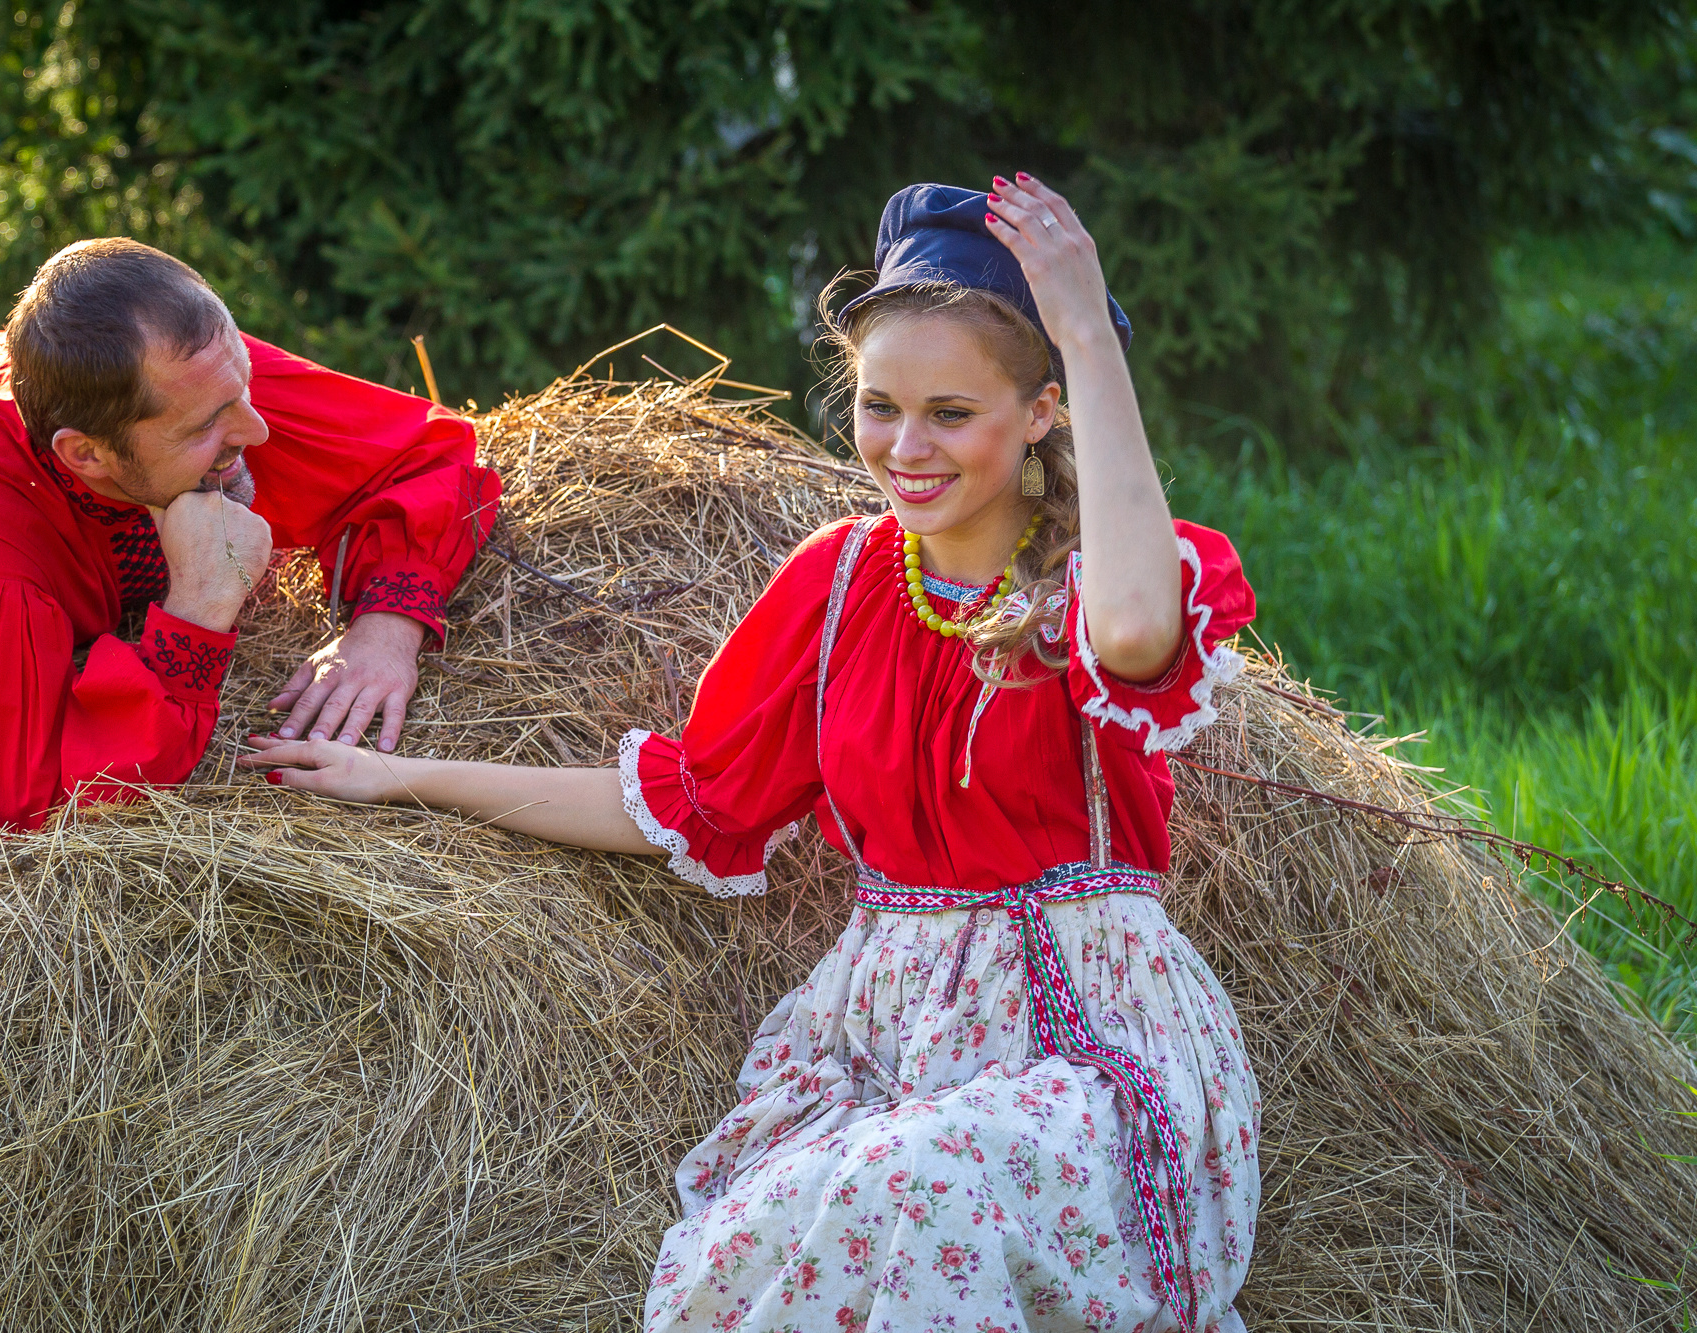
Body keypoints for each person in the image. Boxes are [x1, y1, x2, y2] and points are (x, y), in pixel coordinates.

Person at [241, 176, 1259, 1332]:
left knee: (918, 1188)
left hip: (1086, 1042)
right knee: (820, 1226)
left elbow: (1133, 637)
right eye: (880, 406)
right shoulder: (835, 585)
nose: (904, 448)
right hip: (886, 1042)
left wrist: (1085, 333)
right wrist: (408, 777)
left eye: (950, 413)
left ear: (1038, 410)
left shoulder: (1092, 574)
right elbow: (689, 802)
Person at [0, 238, 501, 831]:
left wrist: (386, 627)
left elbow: (426, 452)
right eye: (211, 425)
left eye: (245, 390)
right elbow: (24, 794)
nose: (258, 431)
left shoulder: (189, 372)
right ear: (85, 453)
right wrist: (195, 612)